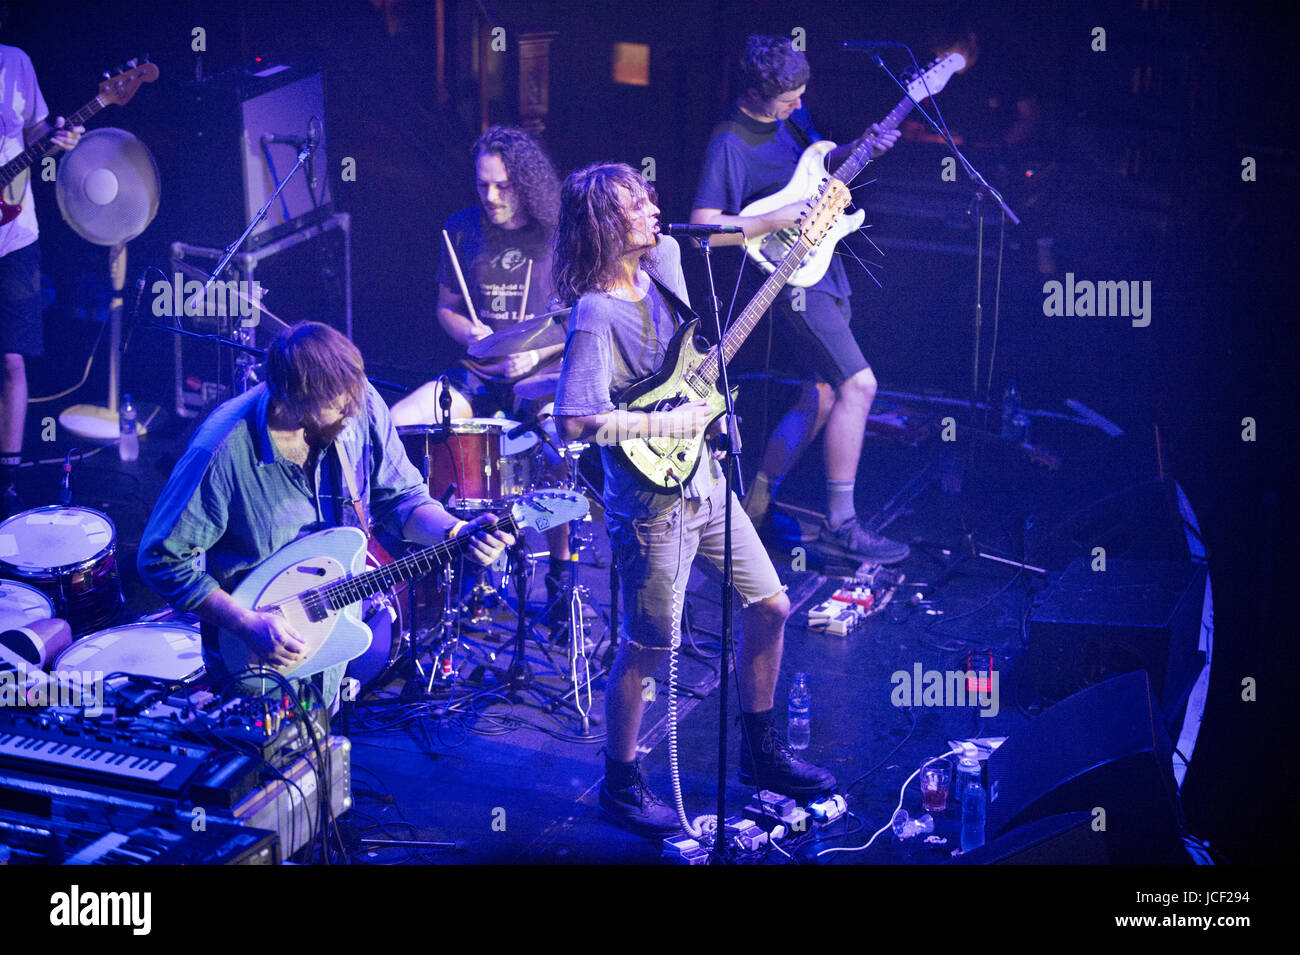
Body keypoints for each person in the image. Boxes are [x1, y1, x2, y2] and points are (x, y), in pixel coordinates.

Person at [552, 164, 834, 837]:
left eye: (651, 197)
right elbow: (572, 420)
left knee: (771, 604)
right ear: (605, 226)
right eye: (636, 204)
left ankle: (760, 754)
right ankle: (620, 783)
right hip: (649, 499)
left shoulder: (669, 261)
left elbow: (725, 251)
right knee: (650, 645)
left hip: (703, 475)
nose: (654, 208)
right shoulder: (595, 313)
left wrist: (806, 216)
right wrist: (661, 425)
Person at [138, 322, 513, 700]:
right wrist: (245, 623)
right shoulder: (221, 451)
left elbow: (402, 500)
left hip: (330, 650)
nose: (351, 414)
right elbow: (161, 560)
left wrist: (455, 532)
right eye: (337, 407)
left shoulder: (357, 401)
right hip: (254, 659)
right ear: (290, 397)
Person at [690, 34, 910, 564]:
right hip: (786, 278)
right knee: (859, 384)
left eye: (802, 93)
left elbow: (819, 164)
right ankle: (842, 523)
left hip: (823, 264)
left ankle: (754, 506)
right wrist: (772, 220)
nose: (799, 105)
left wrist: (861, 144)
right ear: (759, 92)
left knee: (824, 394)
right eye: (790, 97)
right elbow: (701, 230)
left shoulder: (791, 115)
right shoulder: (729, 141)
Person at [390, 125, 579, 618]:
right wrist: (469, 334)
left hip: (543, 375)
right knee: (393, 425)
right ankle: (423, 560)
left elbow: (585, 318)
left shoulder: (557, 235)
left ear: (527, 183)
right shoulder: (462, 228)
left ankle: (561, 572)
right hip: (479, 371)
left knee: (561, 443)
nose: (491, 196)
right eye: (483, 185)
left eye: (504, 185)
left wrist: (534, 357)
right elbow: (446, 308)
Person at [0, 43, 83, 516]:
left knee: (12, 358)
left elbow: (35, 130)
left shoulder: (17, 62)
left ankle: (7, 480)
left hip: (15, 234)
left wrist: (57, 138)